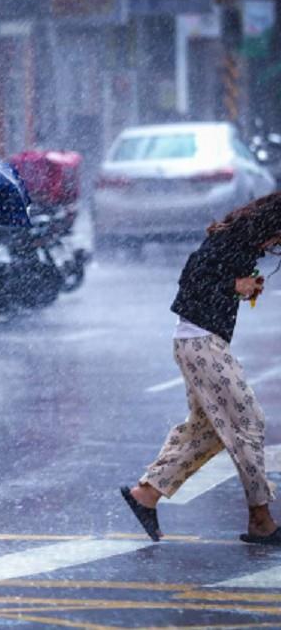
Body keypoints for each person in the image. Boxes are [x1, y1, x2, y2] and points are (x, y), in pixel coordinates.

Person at [121, 192, 281, 544]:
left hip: (201, 342)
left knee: (209, 430)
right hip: (200, 343)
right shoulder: (233, 243)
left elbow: (207, 283)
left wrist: (240, 288)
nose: (275, 245)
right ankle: (261, 519)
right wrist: (233, 285)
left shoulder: (239, 242)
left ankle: (146, 494)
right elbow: (191, 282)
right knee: (248, 422)